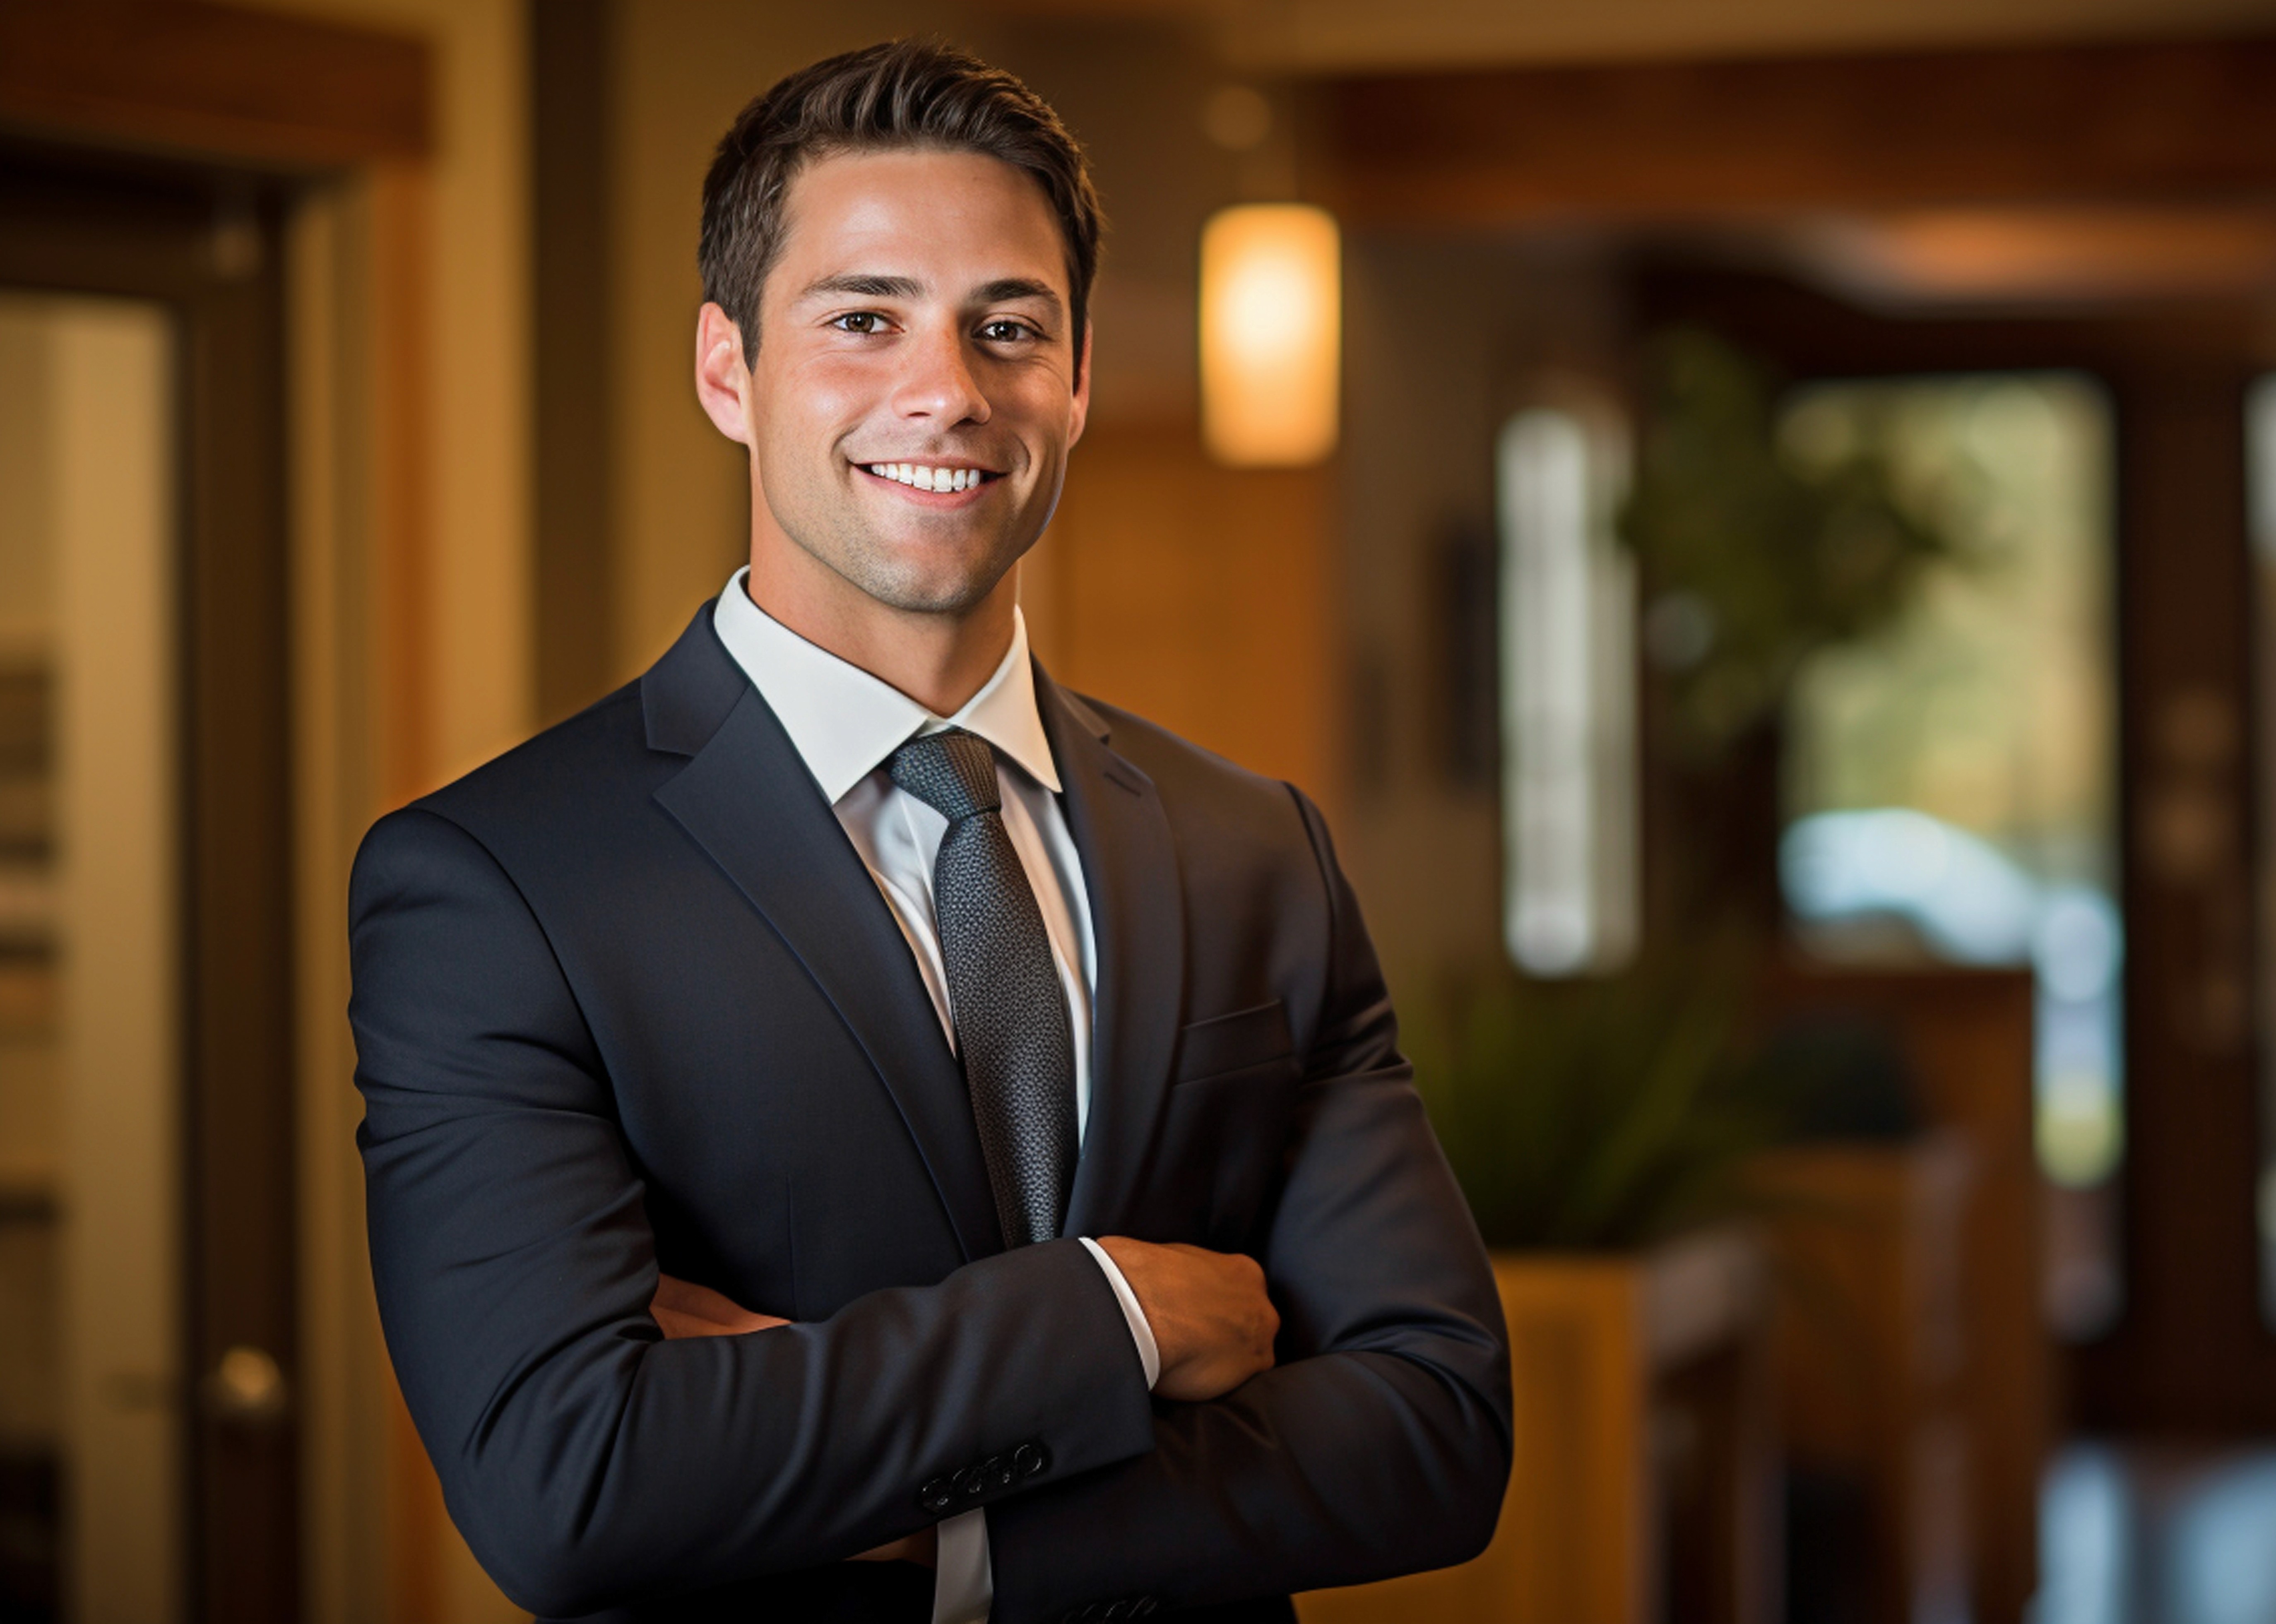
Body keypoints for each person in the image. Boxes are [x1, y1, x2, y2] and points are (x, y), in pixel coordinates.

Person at [348, 38, 1509, 1624]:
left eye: (1008, 327)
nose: (948, 390)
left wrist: (929, 1519)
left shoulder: (1258, 854)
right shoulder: (498, 886)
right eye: (864, 318)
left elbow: (1439, 1426)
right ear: (725, 369)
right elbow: (574, 1479)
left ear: (1078, 379)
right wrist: (1115, 1318)